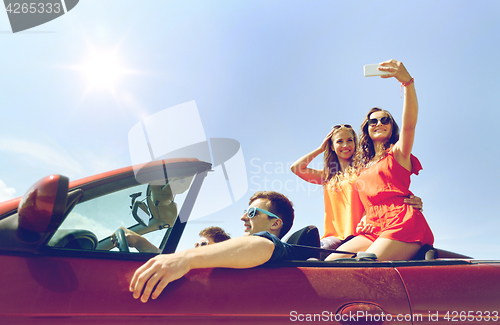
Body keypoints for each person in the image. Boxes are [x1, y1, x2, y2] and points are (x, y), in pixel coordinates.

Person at [325, 59, 433, 261]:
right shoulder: (361, 166)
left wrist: (407, 83)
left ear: (392, 126)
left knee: (365, 264)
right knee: (331, 261)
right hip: (372, 225)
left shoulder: (398, 153)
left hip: (400, 220)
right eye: (373, 121)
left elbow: (409, 125)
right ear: (367, 128)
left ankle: (417, 249)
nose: (379, 123)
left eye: (385, 120)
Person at [129, 191, 305, 303]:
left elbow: (263, 245)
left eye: (252, 212)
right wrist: (139, 242)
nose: (243, 217)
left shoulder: (277, 247)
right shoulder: (240, 254)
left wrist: (185, 259)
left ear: (275, 223)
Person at [291, 124, 423, 249]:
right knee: (312, 250)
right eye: (339, 141)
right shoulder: (328, 176)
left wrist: (407, 198)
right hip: (334, 237)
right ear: (331, 146)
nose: (345, 145)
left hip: (362, 233)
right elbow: (296, 168)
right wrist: (320, 148)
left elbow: (386, 188)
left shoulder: (364, 171)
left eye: (349, 140)